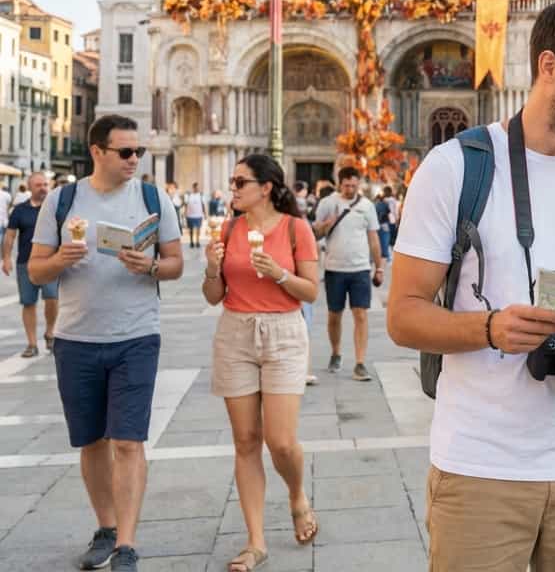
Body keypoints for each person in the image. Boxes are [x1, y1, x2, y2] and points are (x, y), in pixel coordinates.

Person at [385, 0, 555, 571]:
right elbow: (403, 315)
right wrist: (490, 328)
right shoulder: (455, 167)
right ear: (549, 67)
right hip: (481, 467)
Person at [26, 115, 183, 572]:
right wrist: (60, 258)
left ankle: (127, 544)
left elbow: (175, 263)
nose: (135, 160)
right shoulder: (62, 200)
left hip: (136, 336)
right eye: (126, 152)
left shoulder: (155, 199)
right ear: (97, 152)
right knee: (92, 441)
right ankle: (106, 527)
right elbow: (36, 271)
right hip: (76, 339)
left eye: (139, 152)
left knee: (129, 441)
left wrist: (150, 266)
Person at [202, 154, 321, 570]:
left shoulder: (295, 229)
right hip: (235, 333)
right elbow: (213, 296)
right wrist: (212, 268)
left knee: (281, 441)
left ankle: (296, 494)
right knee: (246, 440)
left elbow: (310, 293)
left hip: (285, 334)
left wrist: (279, 274)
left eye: (240, 182)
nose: (232, 189)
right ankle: (255, 541)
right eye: (233, 182)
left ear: (265, 187)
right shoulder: (230, 228)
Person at [313, 168, 382, 382]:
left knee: (360, 314)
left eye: (354, 185)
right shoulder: (327, 203)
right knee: (335, 315)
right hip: (334, 268)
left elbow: (373, 238)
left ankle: (360, 363)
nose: (350, 189)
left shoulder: (367, 206)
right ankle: (336, 352)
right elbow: (315, 233)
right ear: (339, 183)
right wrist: (326, 224)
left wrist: (378, 267)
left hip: (360, 268)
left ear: (358, 183)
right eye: (346, 186)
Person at [2, 172, 58, 356]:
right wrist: (6, 258)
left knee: (52, 298)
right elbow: (10, 236)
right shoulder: (20, 210)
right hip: (25, 263)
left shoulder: (54, 209)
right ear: (30, 187)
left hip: (50, 262)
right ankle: (32, 344)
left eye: (45, 184)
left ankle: (50, 333)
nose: (43, 188)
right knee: (28, 303)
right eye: (38, 185)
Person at [184, 182, 206, 248]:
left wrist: (205, 213)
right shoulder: (189, 195)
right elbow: (186, 204)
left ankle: (197, 241)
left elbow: (203, 205)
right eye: (196, 187)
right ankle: (191, 242)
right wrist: (185, 213)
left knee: (198, 229)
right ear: (193, 187)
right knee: (191, 229)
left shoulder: (201, 195)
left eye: (198, 187)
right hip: (190, 215)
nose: (197, 188)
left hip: (198, 215)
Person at [374, 191, 392, 262]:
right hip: (384, 224)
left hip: (377, 224)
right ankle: (386, 256)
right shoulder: (385, 204)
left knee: (378, 240)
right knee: (386, 240)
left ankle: (378, 255)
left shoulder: (375, 205)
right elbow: (389, 213)